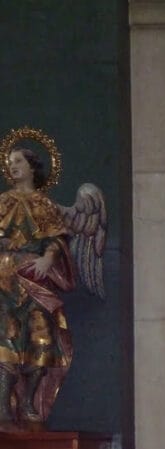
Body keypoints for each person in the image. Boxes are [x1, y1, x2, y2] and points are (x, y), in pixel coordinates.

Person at [0, 147, 74, 426]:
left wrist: (48, 258)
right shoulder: (2, 202)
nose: (13, 166)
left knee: (41, 337)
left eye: (18, 161)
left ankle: (29, 401)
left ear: (32, 167)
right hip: (4, 278)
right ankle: (3, 406)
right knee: (5, 335)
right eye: (10, 163)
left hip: (35, 278)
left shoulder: (45, 205)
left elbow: (57, 239)